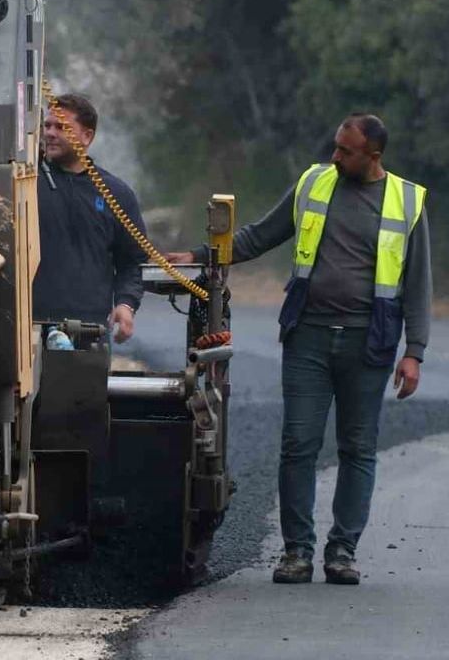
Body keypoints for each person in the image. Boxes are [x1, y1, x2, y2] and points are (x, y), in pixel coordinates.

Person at [166, 113, 431, 585]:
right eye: (335, 146)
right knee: (298, 444)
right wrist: (201, 256)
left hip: (368, 344)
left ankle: (342, 552)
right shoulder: (313, 183)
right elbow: (259, 235)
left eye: (346, 151)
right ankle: (297, 552)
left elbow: (417, 282)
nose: (335, 156)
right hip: (308, 336)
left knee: (358, 448)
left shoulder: (407, 201)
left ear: (373, 156)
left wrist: (415, 351)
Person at [33, 94, 147, 343]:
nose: (50, 133)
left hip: (89, 330)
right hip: (29, 327)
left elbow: (132, 261)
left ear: (87, 136)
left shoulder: (116, 193)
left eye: (61, 127)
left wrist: (126, 304)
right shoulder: (28, 185)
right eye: (47, 126)